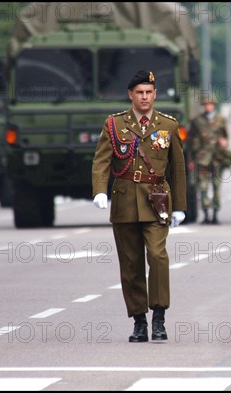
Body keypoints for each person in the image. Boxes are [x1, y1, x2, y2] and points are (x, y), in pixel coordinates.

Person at [91, 70, 187, 342]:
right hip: (124, 200)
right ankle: (139, 321)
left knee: (157, 256)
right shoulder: (114, 124)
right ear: (130, 95)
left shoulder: (167, 125)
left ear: (155, 94)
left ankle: (159, 316)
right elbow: (101, 161)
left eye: (149, 92)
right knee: (130, 263)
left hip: (156, 200)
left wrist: (180, 205)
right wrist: (100, 190)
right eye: (139, 93)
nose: (144, 97)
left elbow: (178, 168)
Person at [188, 94, 229, 225]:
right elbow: (190, 141)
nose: (208, 106)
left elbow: (225, 136)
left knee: (217, 186)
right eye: (205, 104)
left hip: (217, 157)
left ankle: (215, 214)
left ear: (214, 105)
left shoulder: (220, 120)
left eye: (210, 104)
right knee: (203, 186)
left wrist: (224, 143)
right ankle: (206, 214)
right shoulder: (196, 121)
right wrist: (190, 160)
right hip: (202, 158)